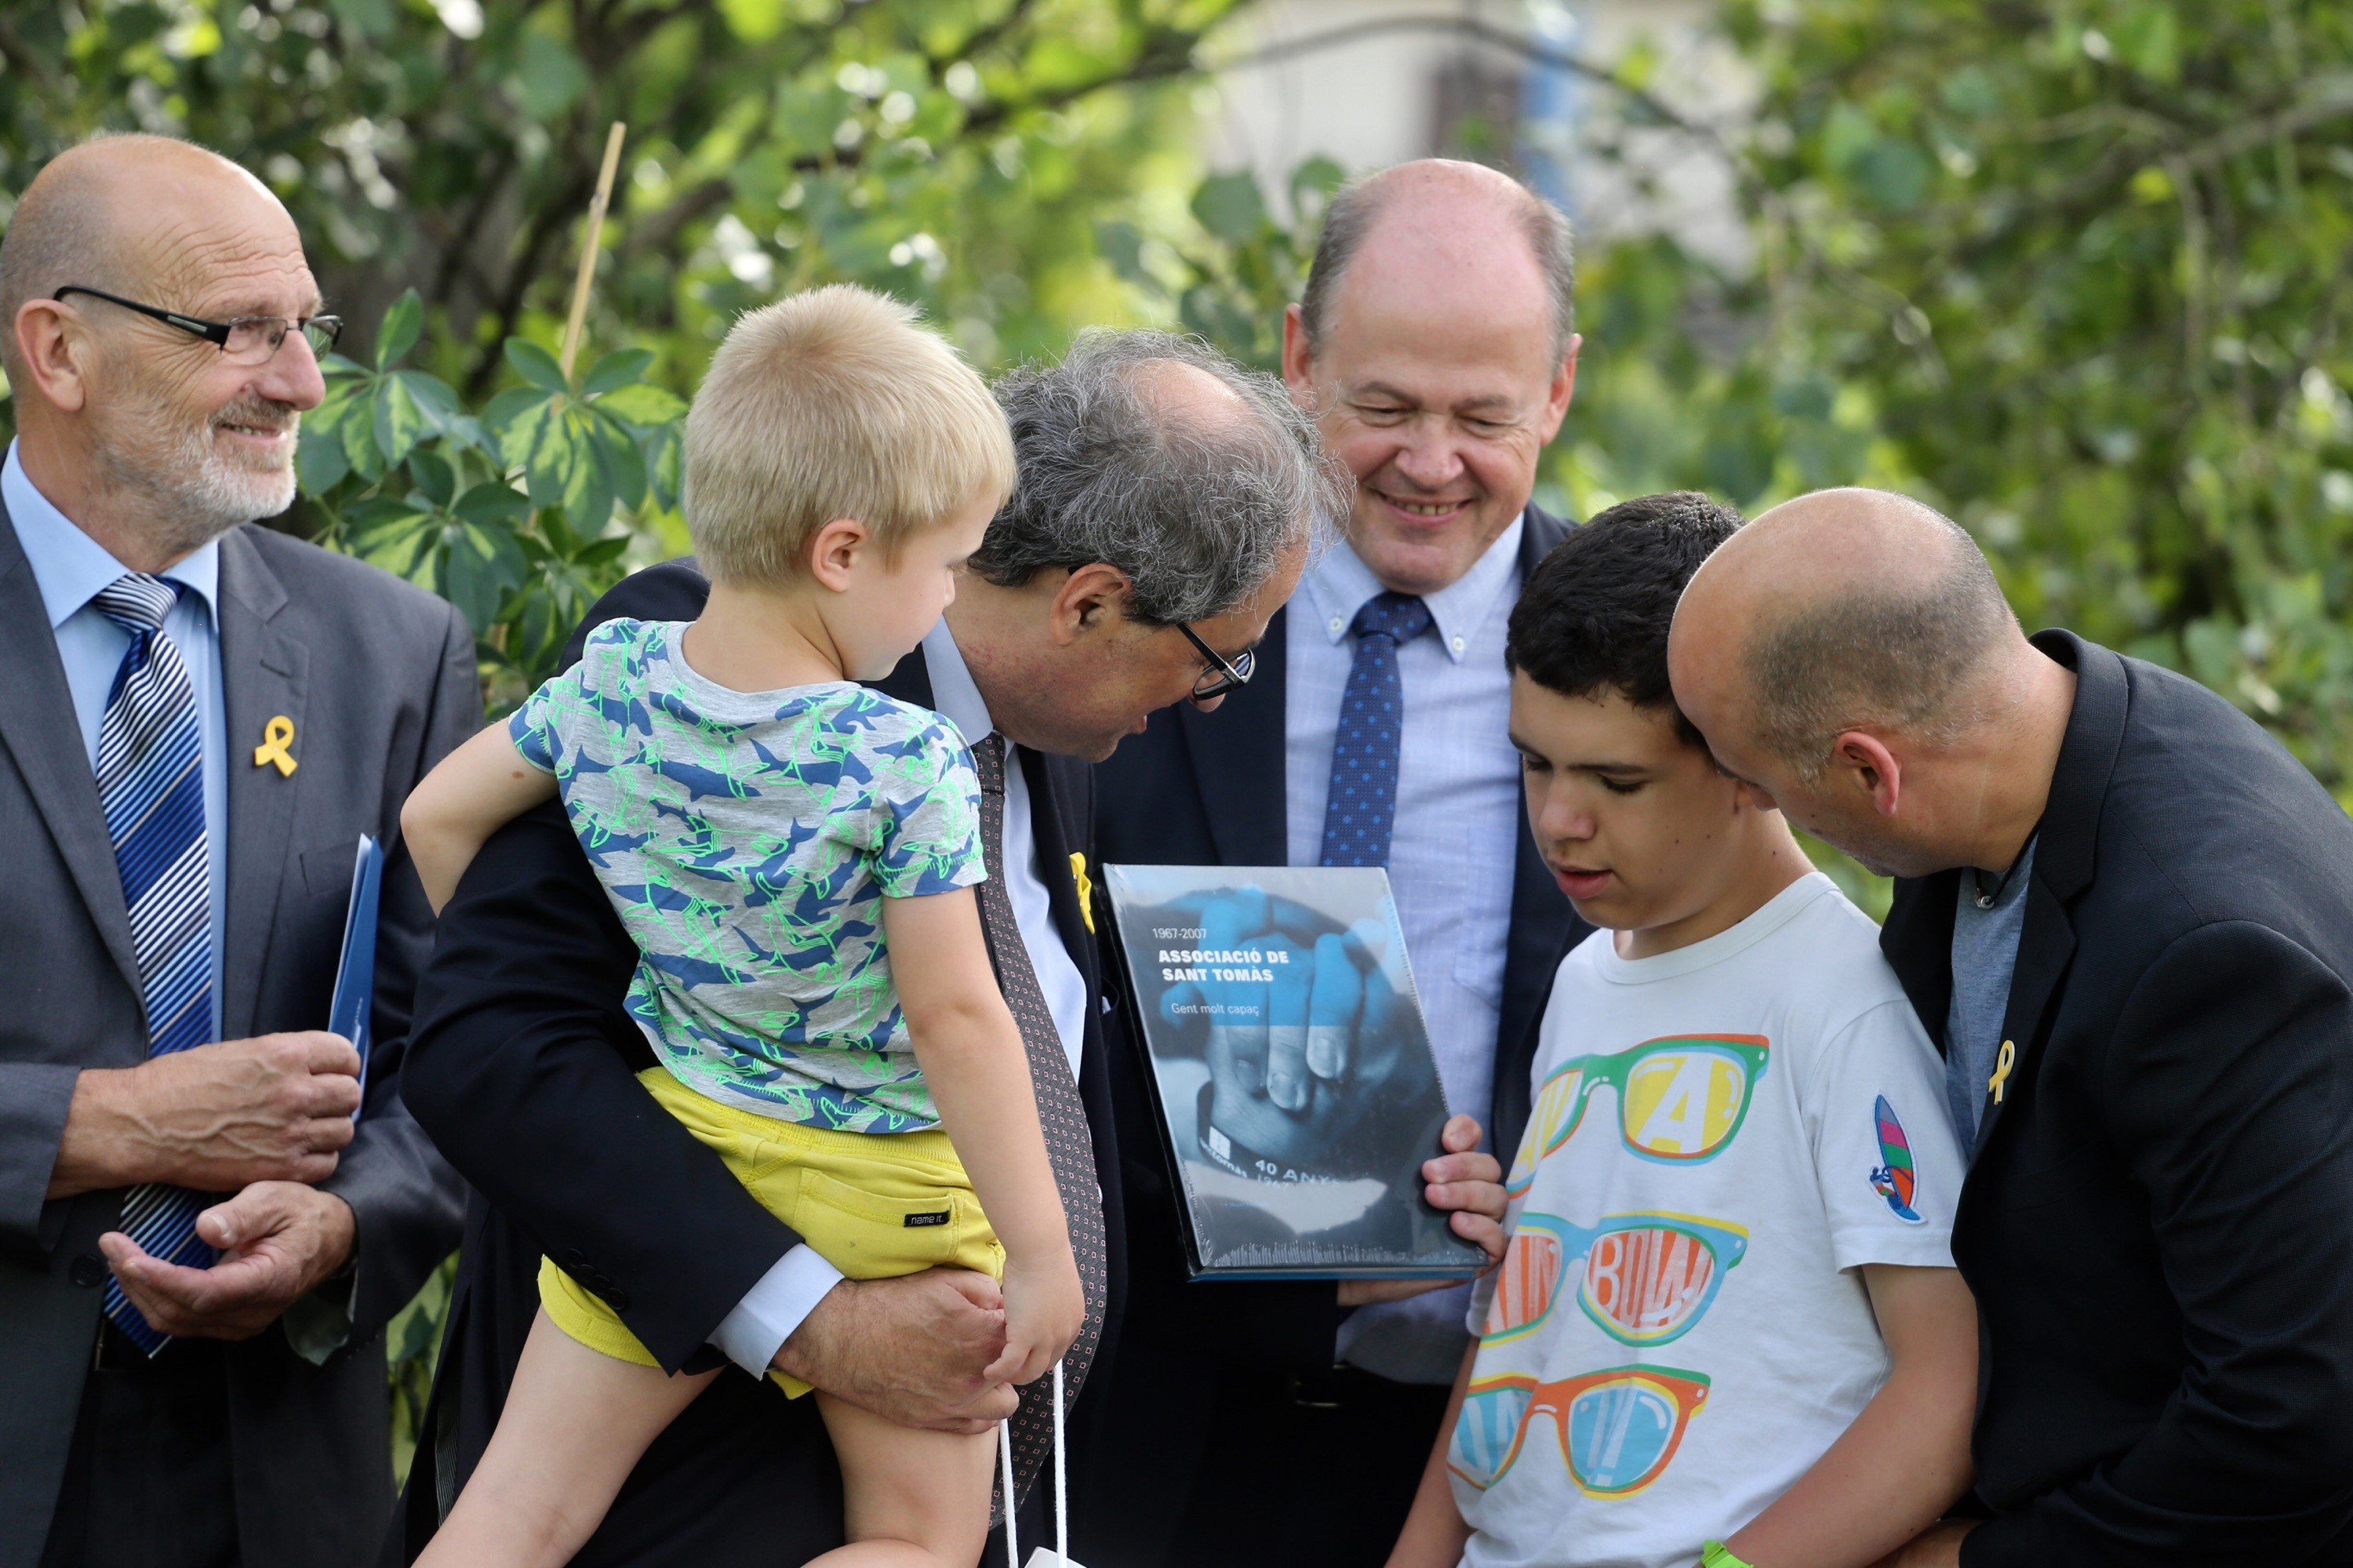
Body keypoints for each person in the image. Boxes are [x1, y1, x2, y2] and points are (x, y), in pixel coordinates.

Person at [389, 326, 1514, 1566]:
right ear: (1088, 603)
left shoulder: (1055, 744)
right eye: (1217, 661)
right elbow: (492, 1049)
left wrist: (1344, 1248)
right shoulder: (706, 662)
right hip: (694, 1489)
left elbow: (1064, 1129)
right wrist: (808, 1321)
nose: (1210, 702)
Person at [400, 286, 1083, 1566]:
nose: (944, 607)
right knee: (918, 1545)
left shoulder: (613, 683)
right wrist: (1042, 1258)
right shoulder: (904, 758)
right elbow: (953, 1018)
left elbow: (437, 820)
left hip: (696, 1134)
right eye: (941, 567)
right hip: (891, 1188)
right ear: (842, 553)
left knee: (513, 1514)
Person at [1667, 486, 2353, 1566]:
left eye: (1758, 781)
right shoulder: (2017, 759)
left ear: (1866, 770)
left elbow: (2291, 1424)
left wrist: (1966, 1560)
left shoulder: (2204, 955)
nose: (1760, 813)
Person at [1084, 157, 1587, 1565]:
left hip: (1489, 1452)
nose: (1432, 464)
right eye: (1386, 408)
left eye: (1484, 416)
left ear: (1557, 390)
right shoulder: (1142, 618)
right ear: (1300, 357)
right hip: (1151, 1421)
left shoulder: (1648, 666)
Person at [0, 135, 471, 1568]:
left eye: (304, 328)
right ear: (57, 350)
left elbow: (461, 1057)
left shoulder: (394, 653)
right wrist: (110, 1130)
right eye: (239, 333)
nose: (304, 383)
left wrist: (342, 1230)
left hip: (275, 1480)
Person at [1386, 492, 1979, 1568]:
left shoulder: (1843, 1005)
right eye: (1535, 761)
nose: (1561, 817)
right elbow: (1519, 1339)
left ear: (1753, 759)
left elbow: (1945, 1385)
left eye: (1617, 779)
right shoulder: (1580, 979)